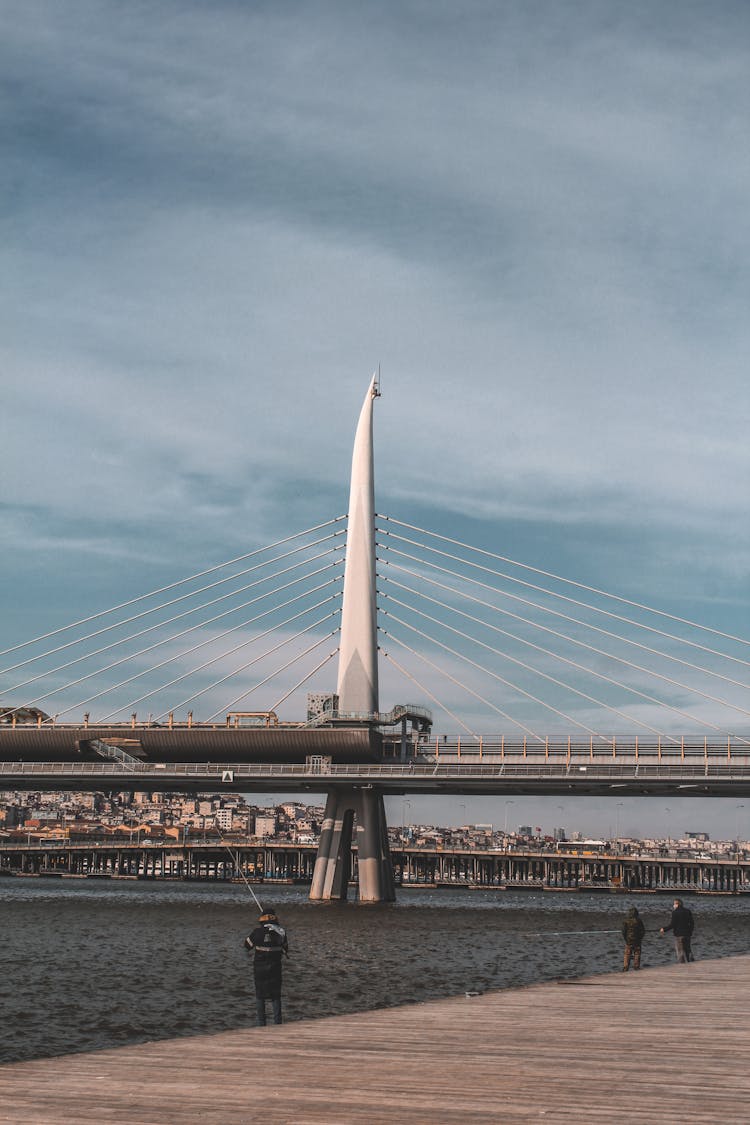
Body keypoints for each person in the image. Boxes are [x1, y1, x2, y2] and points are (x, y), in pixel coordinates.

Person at [245, 908, 289, 1025]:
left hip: (260, 969)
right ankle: (278, 1022)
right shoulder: (281, 932)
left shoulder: (257, 932)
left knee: (260, 995)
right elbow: (286, 948)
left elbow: (247, 945)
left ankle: (261, 1024)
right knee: (275, 995)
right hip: (275, 968)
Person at [660, 898, 695, 963]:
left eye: (674, 904)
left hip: (679, 935)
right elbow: (692, 923)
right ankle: (691, 962)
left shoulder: (675, 912)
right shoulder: (688, 911)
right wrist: (690, 931)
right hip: (687, 934)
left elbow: (672, 925)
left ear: (677, 904)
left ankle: (682, 965)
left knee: (680, 951)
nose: (673, 905)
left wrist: (664, 929)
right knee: (688, 950)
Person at [621, 906, 645, 971]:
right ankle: (636, 967)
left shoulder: (626, 921)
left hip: (628, 940)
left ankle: (625, 967)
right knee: (637, 953)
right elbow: (643, 930)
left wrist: (625, 939)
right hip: (637, 940)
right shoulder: (639, 921)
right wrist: (640, 938)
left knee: (627, 954)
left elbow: (623, 931)